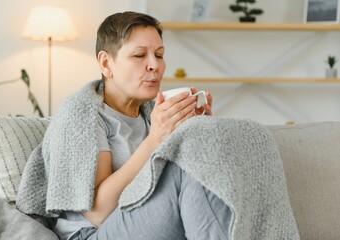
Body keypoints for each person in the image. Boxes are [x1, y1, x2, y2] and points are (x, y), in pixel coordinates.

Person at [17, 11, 299, 240]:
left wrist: (194, 129)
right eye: (140, 56)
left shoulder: (152, 112)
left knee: (200, 150)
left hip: (139, 220)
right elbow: (99, 213)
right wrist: (157, 139)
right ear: (106, 63)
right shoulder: (81, 115)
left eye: (160, 54)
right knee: (187, 163)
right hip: (92, 233)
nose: (155, 65)